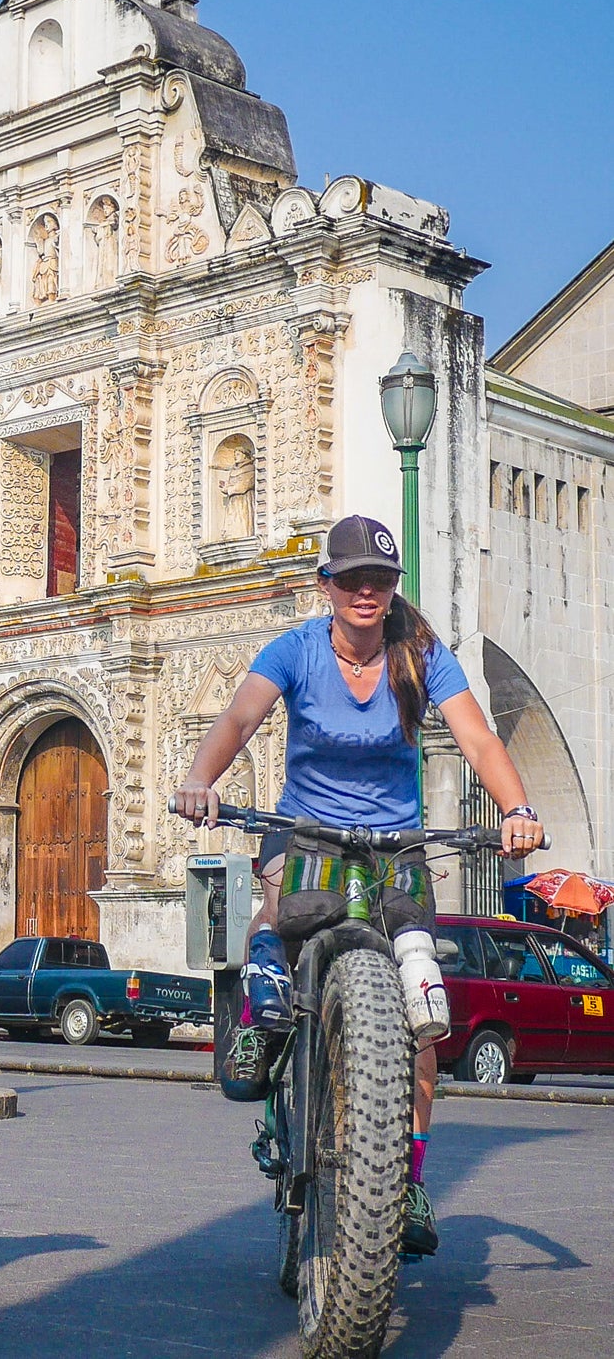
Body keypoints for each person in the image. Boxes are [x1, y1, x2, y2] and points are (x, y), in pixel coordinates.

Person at [173, 515, 544, 1257]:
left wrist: (518, 808)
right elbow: (242, 716)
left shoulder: (420, 653)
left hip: (395, 841)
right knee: (276, 913)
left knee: (420, 1011)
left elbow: (477, 737)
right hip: (308, 829)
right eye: (351, 580)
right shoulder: (297, 650)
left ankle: (406, 1177)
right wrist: (199, 780)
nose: (366, 592)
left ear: (391, 589)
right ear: (328, 586)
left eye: (379, 580)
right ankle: (260, 1014)